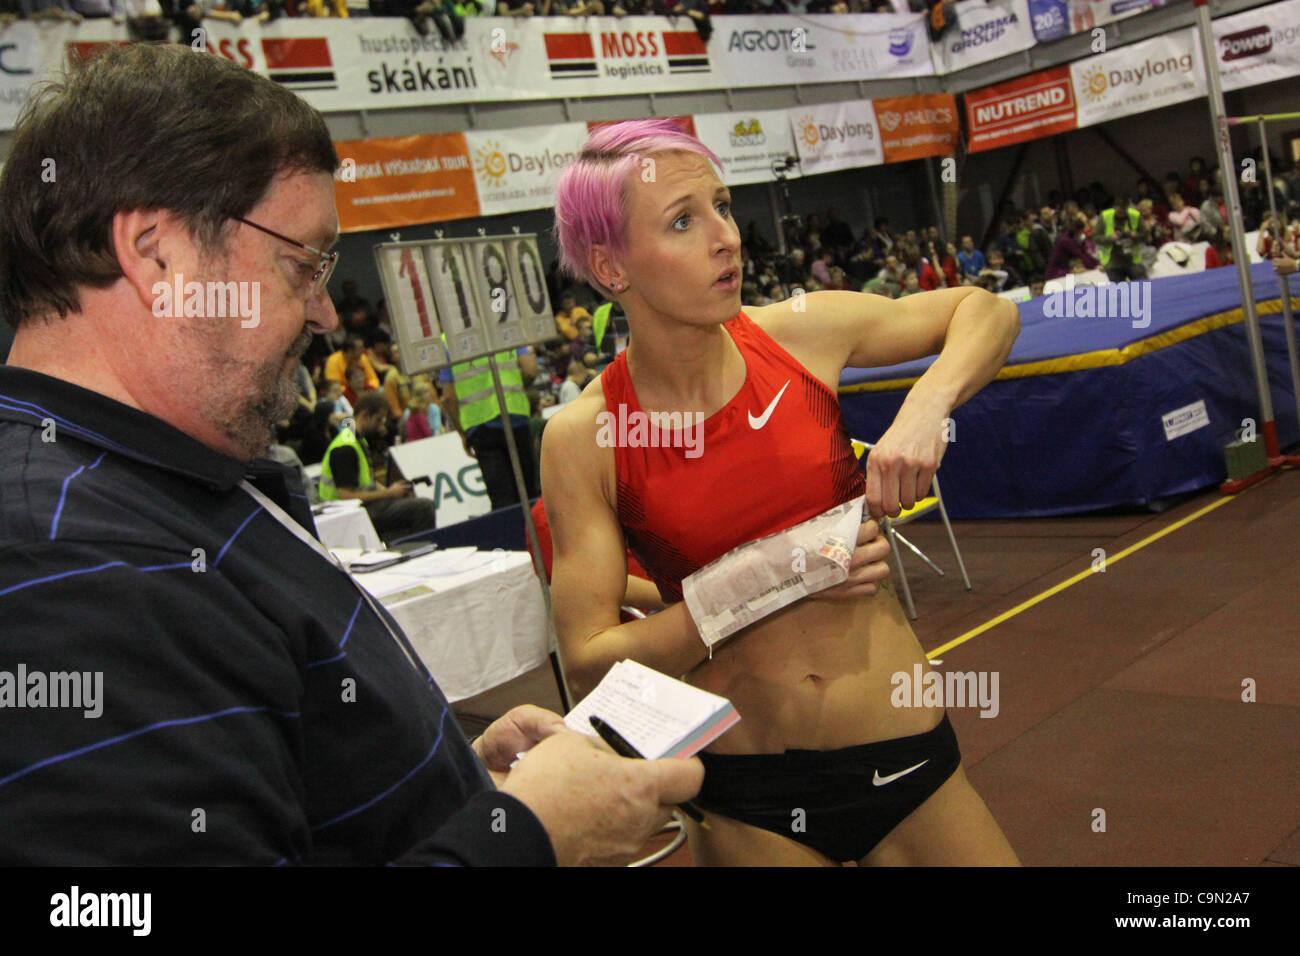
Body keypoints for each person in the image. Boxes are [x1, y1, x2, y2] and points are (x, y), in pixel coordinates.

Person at [0, 43, 700, 866]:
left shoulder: (152, 480)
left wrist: (445, 791)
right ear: (159, 255)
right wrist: (526, 837)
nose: (327, 310)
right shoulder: (66, 556)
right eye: (303, 262)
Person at [545, 118, 1020, 866]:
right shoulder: (584, 437)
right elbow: (590, 660)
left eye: (723, 207)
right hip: (750, 799)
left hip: (907, 760)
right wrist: (771, 575)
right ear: (611, 266)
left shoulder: (798, 334)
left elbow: (986, 310)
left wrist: (926, 408)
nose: (727, 237)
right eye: (682, 221)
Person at [438, 346, 541, 511]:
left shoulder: (448, 342)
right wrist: (511, 384)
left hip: (480, 427)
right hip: (516, 417)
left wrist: (462, 433)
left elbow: (448, 398)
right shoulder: (503, 323)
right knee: (530, 494)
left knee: (502, 500)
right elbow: (530, 370)